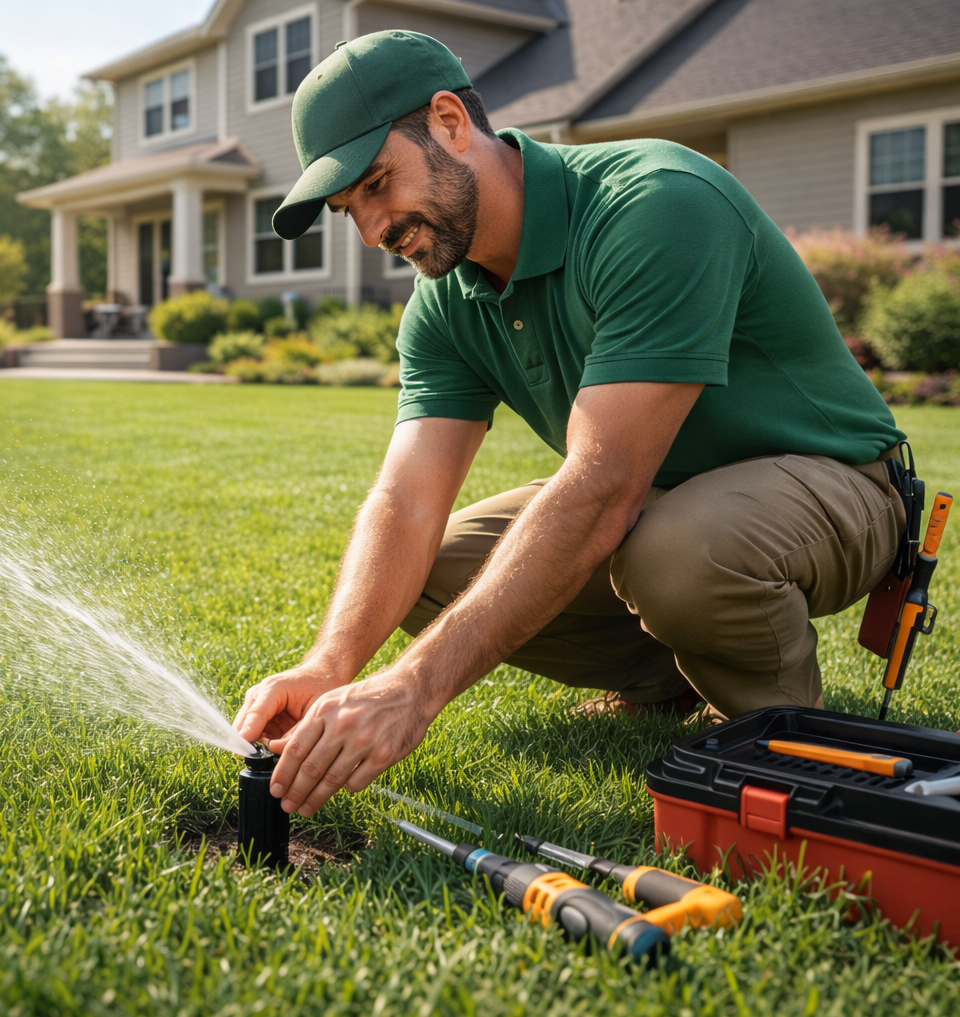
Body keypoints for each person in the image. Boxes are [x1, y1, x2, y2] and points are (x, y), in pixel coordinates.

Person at [233, 30, 906, 818]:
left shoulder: (656, 202)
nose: (374, 229)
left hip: (836, 485)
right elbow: (406, 499)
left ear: (450, 121)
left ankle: (774, 733)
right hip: (662, 500)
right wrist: (334, 662)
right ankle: (667, 680)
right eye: (352, 209)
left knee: (677, 550)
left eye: (379, 183)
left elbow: (604, 486)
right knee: (440, 566)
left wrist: (413, 689)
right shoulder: (445, 299)